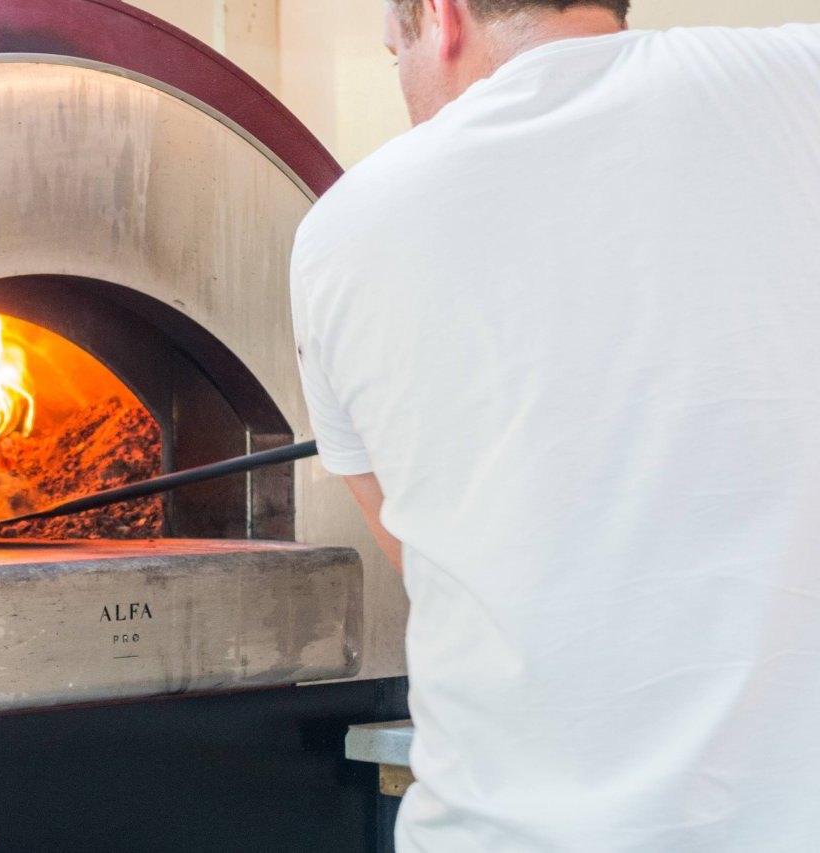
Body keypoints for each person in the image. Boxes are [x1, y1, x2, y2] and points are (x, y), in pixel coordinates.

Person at [290, 0, 820, 850]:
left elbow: (412, 544)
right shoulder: (799, 83)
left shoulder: (340, 233)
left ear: (440, 16)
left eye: (398, 57)